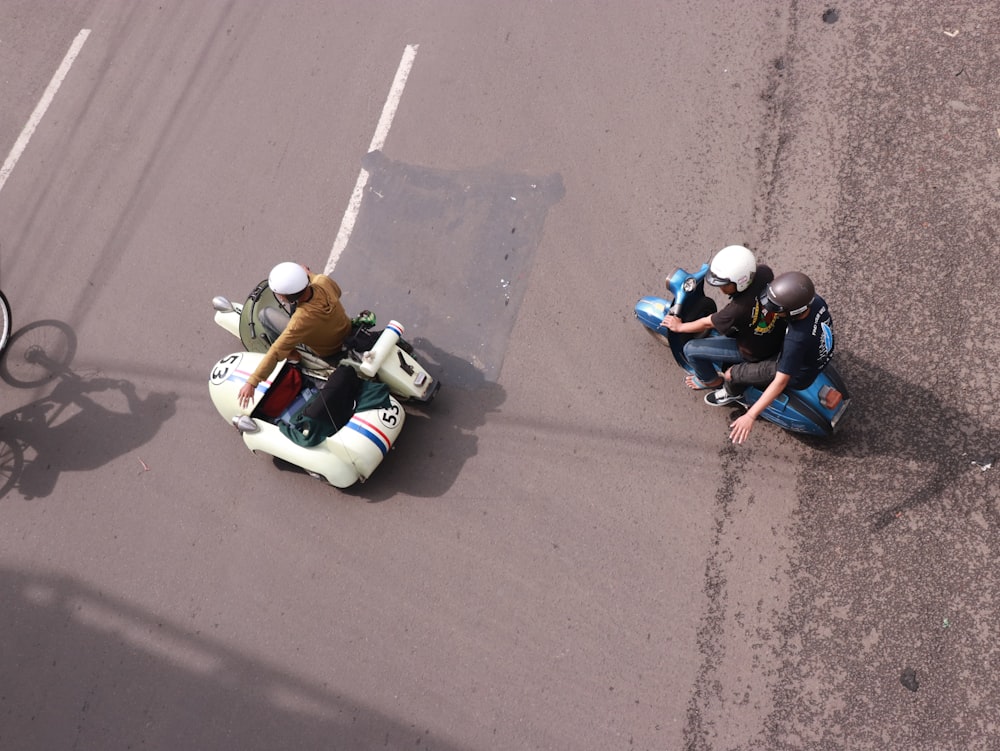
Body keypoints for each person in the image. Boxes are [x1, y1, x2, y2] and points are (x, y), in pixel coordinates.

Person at [706, 271, 834, 444]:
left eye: (776, 309)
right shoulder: (816, 302)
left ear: (792, 312)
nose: (768, 309)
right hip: (817, 357)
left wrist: (750, 415)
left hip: (798, 374)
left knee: (730, 374)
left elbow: (781, 381)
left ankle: (732, 393)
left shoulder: (795, 340)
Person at [661, 245, 785, 390]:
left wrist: (679, 326)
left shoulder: (735, 311)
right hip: (777, 334)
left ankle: (711, 381)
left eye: (724, 285)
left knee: (690, 349)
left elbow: (707, 323)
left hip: (754, 352)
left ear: (741, 281)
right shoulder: (764, 273)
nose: (721, 289)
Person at [237, 262, 352, 409]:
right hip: (347, 331)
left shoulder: (300, 321)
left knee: (265, 315)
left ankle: (292, 355)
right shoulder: (323, 281)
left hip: (330, 352)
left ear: (286, 298)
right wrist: (309, 274)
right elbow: (337, 291)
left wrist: (252, 382)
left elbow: (276, 351)